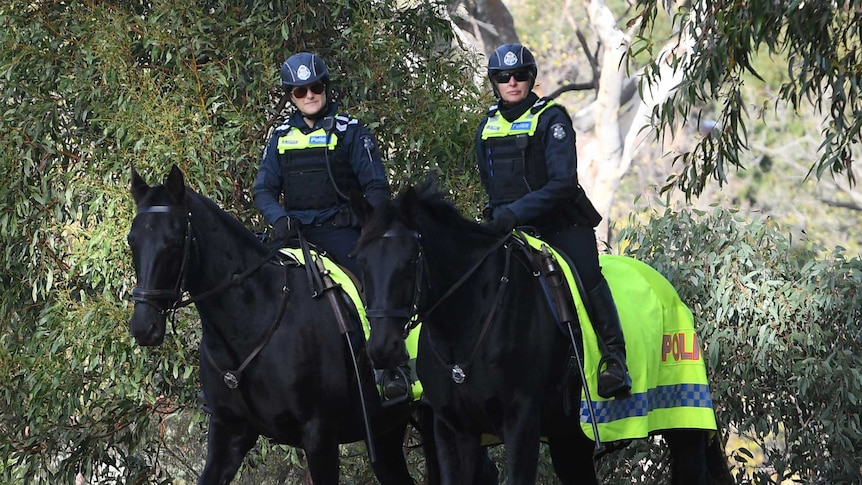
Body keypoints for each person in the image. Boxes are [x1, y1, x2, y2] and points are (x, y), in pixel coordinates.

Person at [475, 43, 632, 400]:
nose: (512, 82)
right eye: (503, 77)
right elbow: (487, 179)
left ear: (531, 78)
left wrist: (516, 211)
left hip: (559, 226)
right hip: (509, 229)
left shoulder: (552, 119)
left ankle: (614, 359)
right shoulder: (486, 126)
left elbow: (562, 183)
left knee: (587, 275)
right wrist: (497, 213)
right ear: (494, 82)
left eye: (520, 76)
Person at [252, 52, 410, 402]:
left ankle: (391, 369)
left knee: (371, 290)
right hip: (295, 235)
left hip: (342, 235)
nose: (309, 95)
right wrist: (279, 218)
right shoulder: (279, 138)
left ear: (326, 87)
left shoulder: (351, 132)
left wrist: (370, 225)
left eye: (316, 87)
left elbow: (376, 188)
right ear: (290, 95)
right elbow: (263, 189)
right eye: (299, 90)